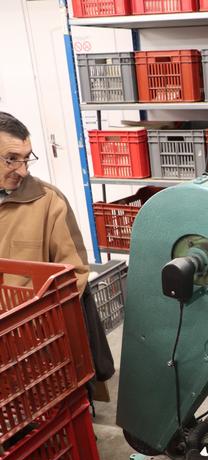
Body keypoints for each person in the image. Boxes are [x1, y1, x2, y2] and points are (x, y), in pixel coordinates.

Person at [0, 111, 114, 383]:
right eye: (11, 160)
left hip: (35, 341)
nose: (23, 170)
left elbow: (75, 273)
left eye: (26, 158)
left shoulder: (48, 202)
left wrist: (40, 325)